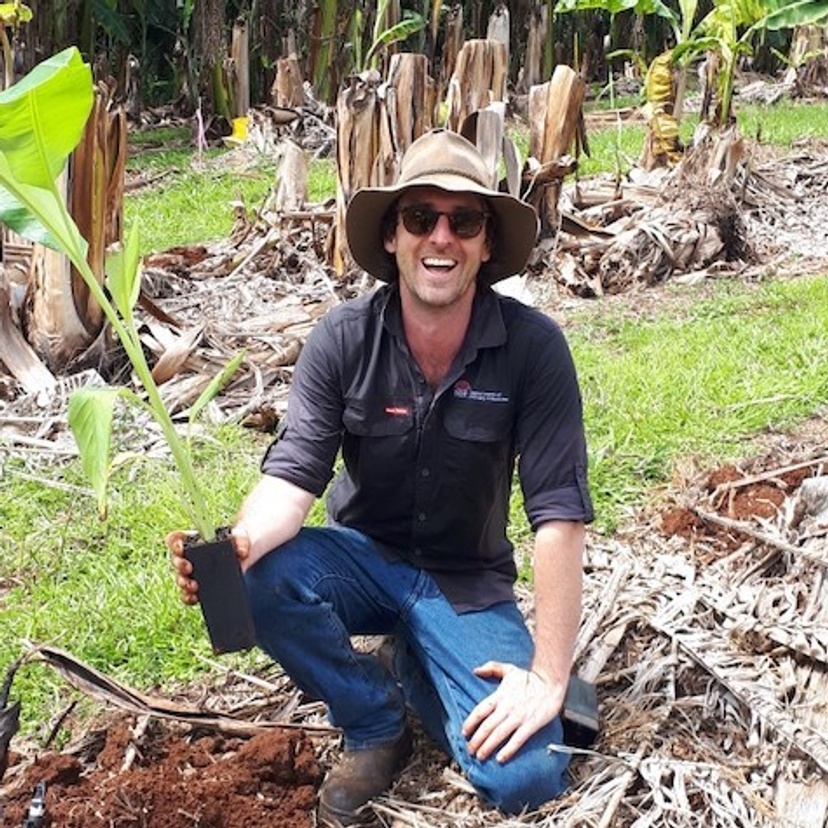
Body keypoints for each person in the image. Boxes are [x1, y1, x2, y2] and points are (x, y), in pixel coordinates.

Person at [168, 128, 593, 827]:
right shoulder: (343, 338)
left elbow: (559, 517)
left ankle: (417, 660)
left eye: (465, 221)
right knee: (257, 576)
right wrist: (238, 544)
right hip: (362, 562)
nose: (441, 238)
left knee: (527, 776)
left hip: (466, 583)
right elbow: (295, 474)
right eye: (421, 217)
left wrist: (549, 678)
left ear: (487, 244)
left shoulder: (534, 349)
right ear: (393, 236)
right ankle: (373, 720)